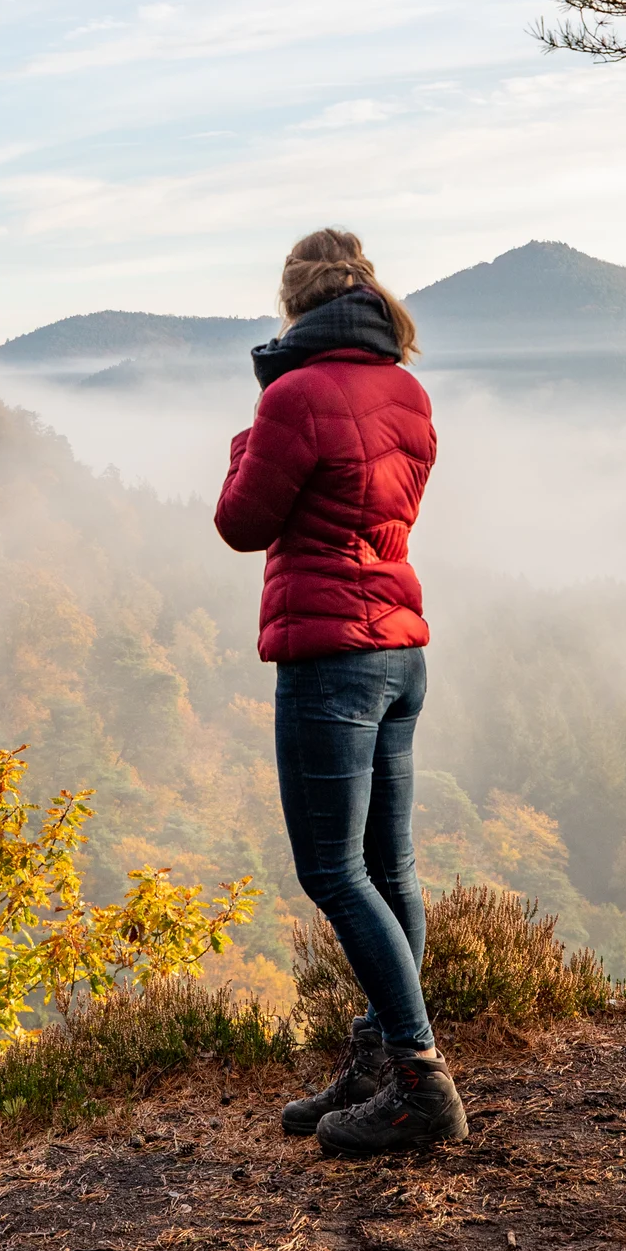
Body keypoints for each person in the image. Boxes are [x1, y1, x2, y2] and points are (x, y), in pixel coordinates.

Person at [214, 227, 468, 1156]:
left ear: (294, 304)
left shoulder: (294, 395)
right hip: (400, 647)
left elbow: (243, 523)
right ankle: (380, 1061)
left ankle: (417, 1080)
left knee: (331, 871)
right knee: (388, 870)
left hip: (330, 656)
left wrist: (253, 427)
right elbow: (383, 511)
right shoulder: (407, 388)